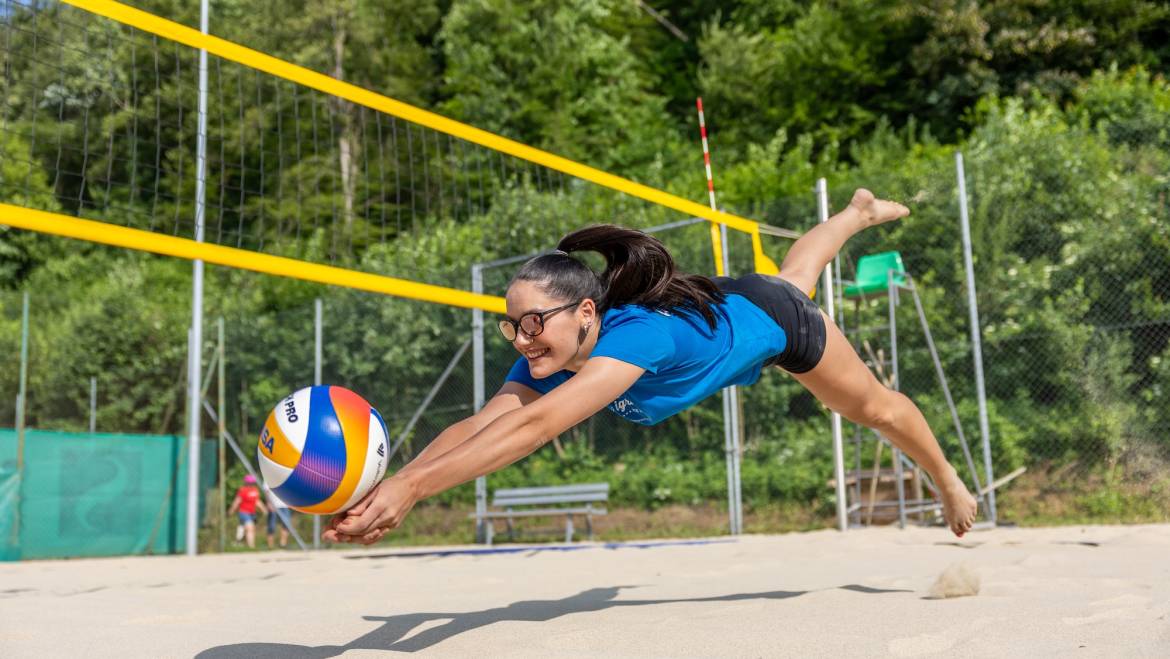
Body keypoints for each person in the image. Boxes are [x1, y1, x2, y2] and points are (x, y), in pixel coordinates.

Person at [324, 189, 979, 545]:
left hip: (772, 323)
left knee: (871, 405)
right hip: (732, 305)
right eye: (511, 323)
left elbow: (533, 430)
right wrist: (401, 477)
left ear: (585, 311)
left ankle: (947, 476)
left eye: (532, 323)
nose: (521, 340)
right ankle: (856, 211)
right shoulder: (550, 352)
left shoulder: (634, 340)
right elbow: (487, 421)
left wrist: (412, 492)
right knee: (797, 270)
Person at [227, 474, 268, 549]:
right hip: (244, 512)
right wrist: (232, 510)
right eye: (250, 483)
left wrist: (264, 509)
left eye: (252, 483)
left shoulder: (255, 490)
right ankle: (251, 547)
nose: (251, 484)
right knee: (250, 528)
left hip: (252, 513)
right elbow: (237, 501)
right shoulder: (242, 490)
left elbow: (257, 501)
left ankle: (238, 542)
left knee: (245, 529)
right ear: (246, 483)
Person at [263, 480, 293, 550]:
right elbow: (266, 491)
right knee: (271, 526)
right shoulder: (268, 476)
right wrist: (269, 503)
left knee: (286, 525)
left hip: (284, 505)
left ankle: (283, 544)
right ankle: (270, 546)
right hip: (273, 505)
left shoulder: (286, 476)